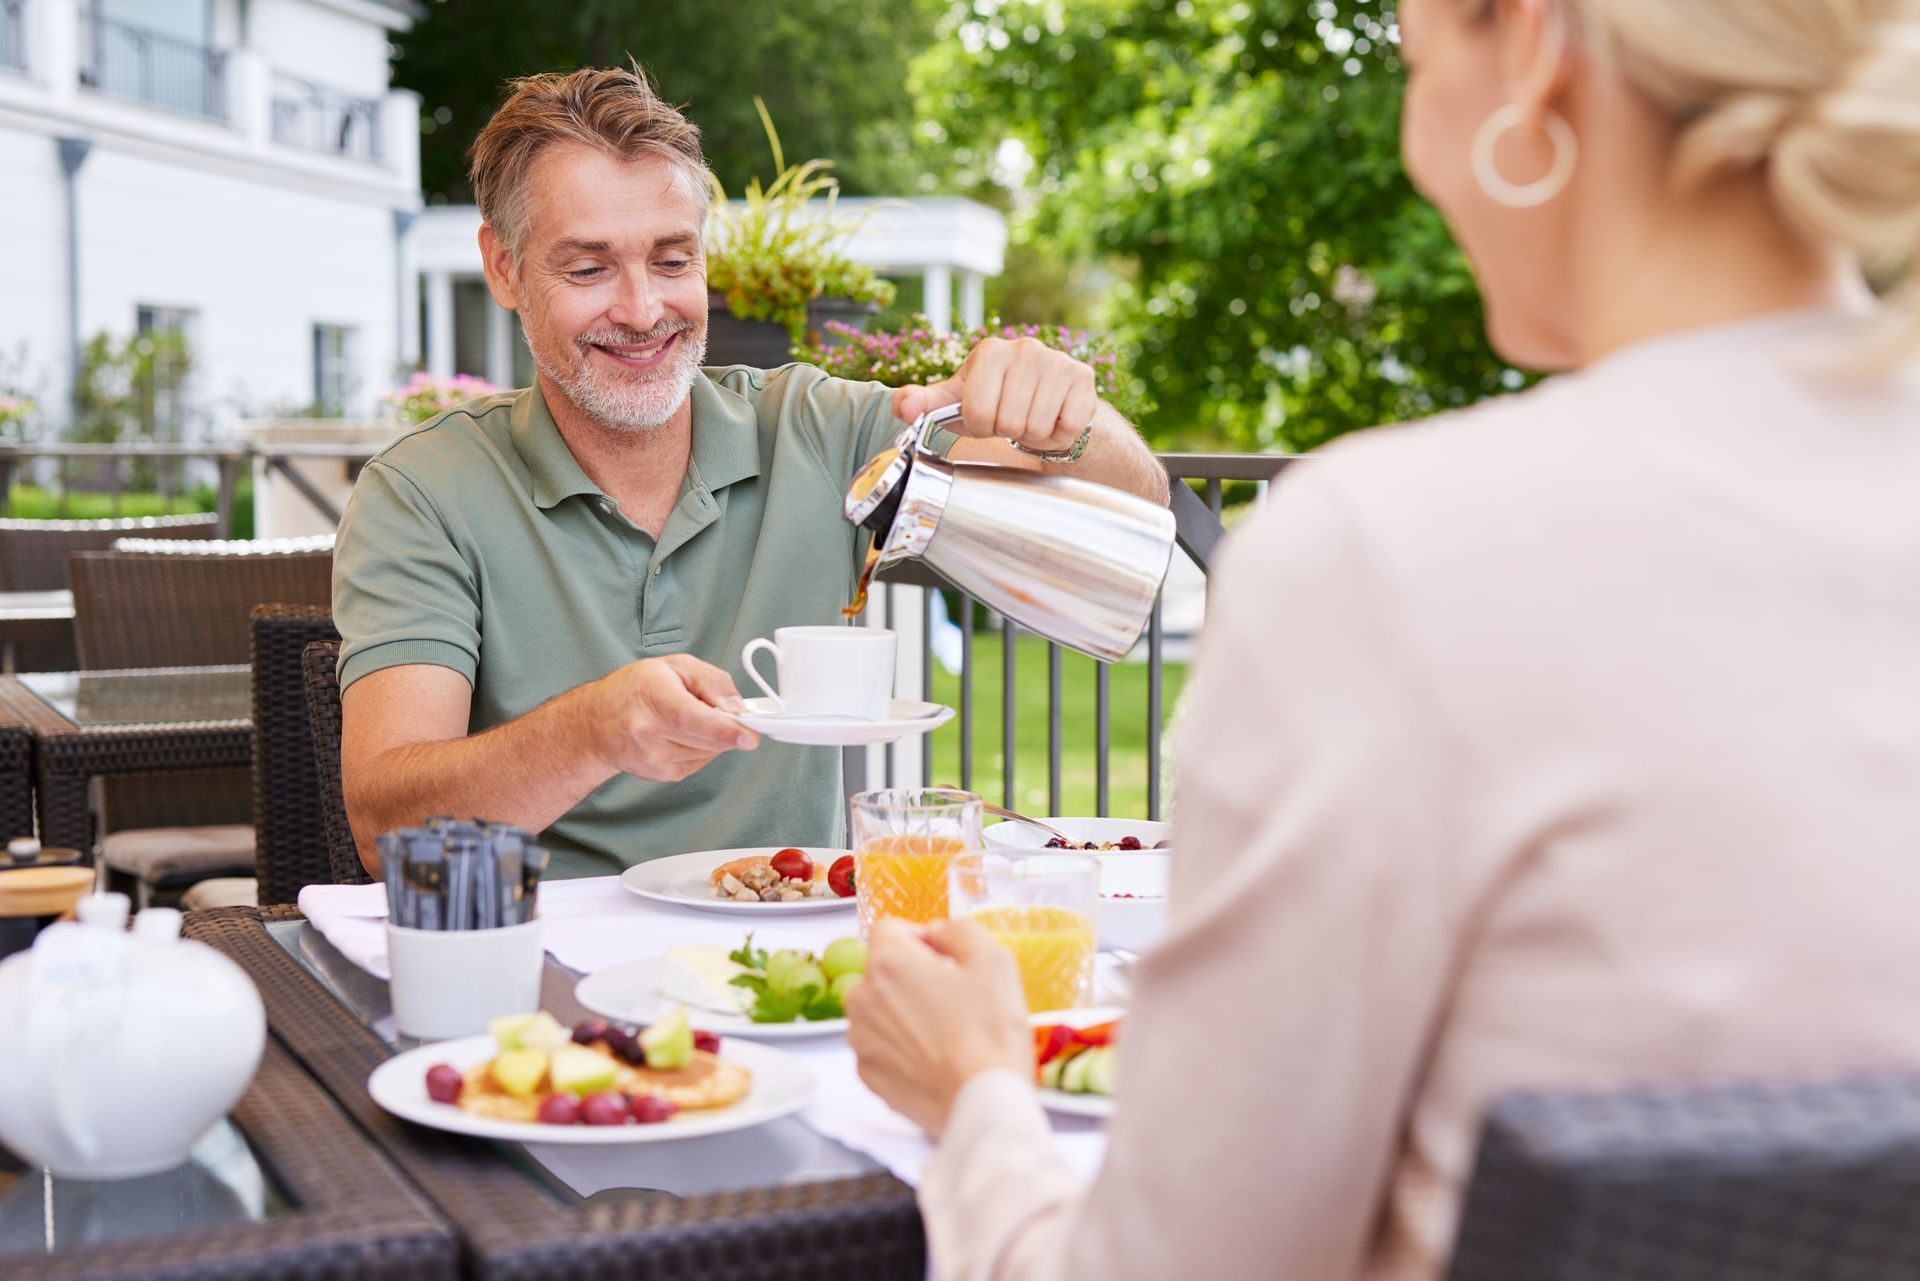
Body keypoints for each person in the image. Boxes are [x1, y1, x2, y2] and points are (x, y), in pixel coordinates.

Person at [845, 0, 1920, 1277]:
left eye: (1413, 67)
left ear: (1528, 50)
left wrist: (975, 1086)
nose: (1417, 143)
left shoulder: (1388, 554)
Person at [332, 67, 1169, 879]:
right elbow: (383, 827)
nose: (642, 309)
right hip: (540, 973)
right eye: (588, 268)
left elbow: (1132, 507)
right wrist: (593, 730)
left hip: (790, 958)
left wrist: (1070, 419)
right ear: (505, 267)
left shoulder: (816, 429)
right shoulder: (425, 489)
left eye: (671, 260)